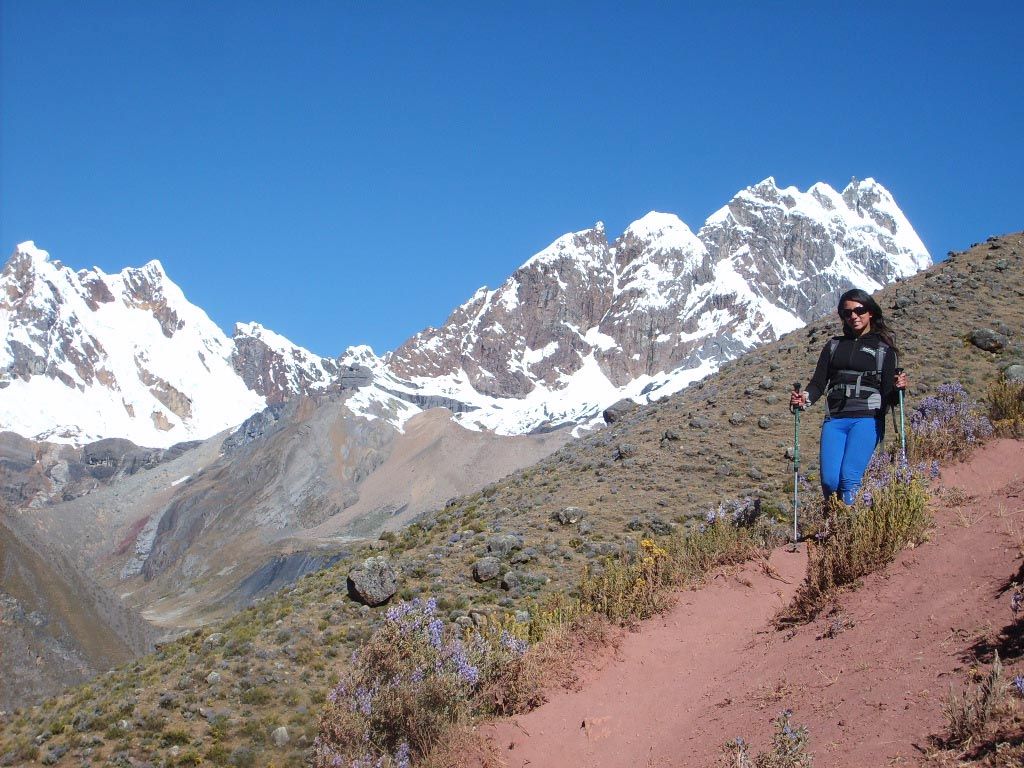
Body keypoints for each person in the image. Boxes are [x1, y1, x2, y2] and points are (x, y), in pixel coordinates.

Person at [789, 288, 909, 504]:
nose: (854, 316)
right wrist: (804, 398)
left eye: (859, 310)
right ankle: (835, 525)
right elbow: (818, 382)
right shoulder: (834, 346)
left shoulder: (884, 350)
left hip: (867, 418)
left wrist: (899, 388)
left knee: (849, 479)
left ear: (870, 312)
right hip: (835, 419)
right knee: (830, 482)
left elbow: (889, 396)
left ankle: (849, 531)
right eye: (847, 313)